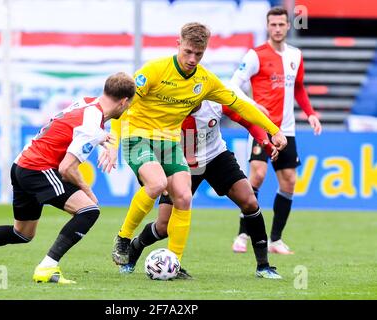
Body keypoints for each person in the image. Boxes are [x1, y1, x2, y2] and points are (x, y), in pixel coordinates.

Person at [100, 22, 287, 279]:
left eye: (198, 54)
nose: (192, 59)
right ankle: (123, 238)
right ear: (178, 44)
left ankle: (174, 264)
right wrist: (111, 142)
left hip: (172, 143)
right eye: (188, 52)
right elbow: (121, 103)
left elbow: (241, 107)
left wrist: (273, 130)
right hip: (139, 137)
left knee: (185, 198)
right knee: (155, 185)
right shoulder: (153, 71)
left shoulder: (206, 81)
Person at [0, 72, 136, 284]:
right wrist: (88, 191)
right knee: (89, 210)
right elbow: (67, 168)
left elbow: (67, 129)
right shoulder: (92, 125)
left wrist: (102, 138)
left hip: (22, 164)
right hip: (38, 168)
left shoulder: (86, 103)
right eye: (129, 104)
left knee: (22, 233)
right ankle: (47, 267)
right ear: (123, 101)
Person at [117, 99, 282, 279]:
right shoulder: (169, 107)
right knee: (164, 226)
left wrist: (265, 142)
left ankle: (263, 266)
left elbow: (247, 119)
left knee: (250, 202)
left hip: (216, 157)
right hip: (180, 163)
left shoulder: (215, 101)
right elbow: (152, 138)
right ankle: (135, 247)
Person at [230, 7, 322, 254]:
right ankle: (242, 234)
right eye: (273, 25)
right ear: (267, 26)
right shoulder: (255, 55)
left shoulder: (296, 55)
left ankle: (276, 240)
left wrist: (311, 114)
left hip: (288, 130)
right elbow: (232, 85)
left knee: (290, 181)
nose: (278, 29)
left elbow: (300, 88)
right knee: (257, 175)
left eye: (282, 24)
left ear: (288, 26)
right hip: (262, 127)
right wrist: (252, 104)